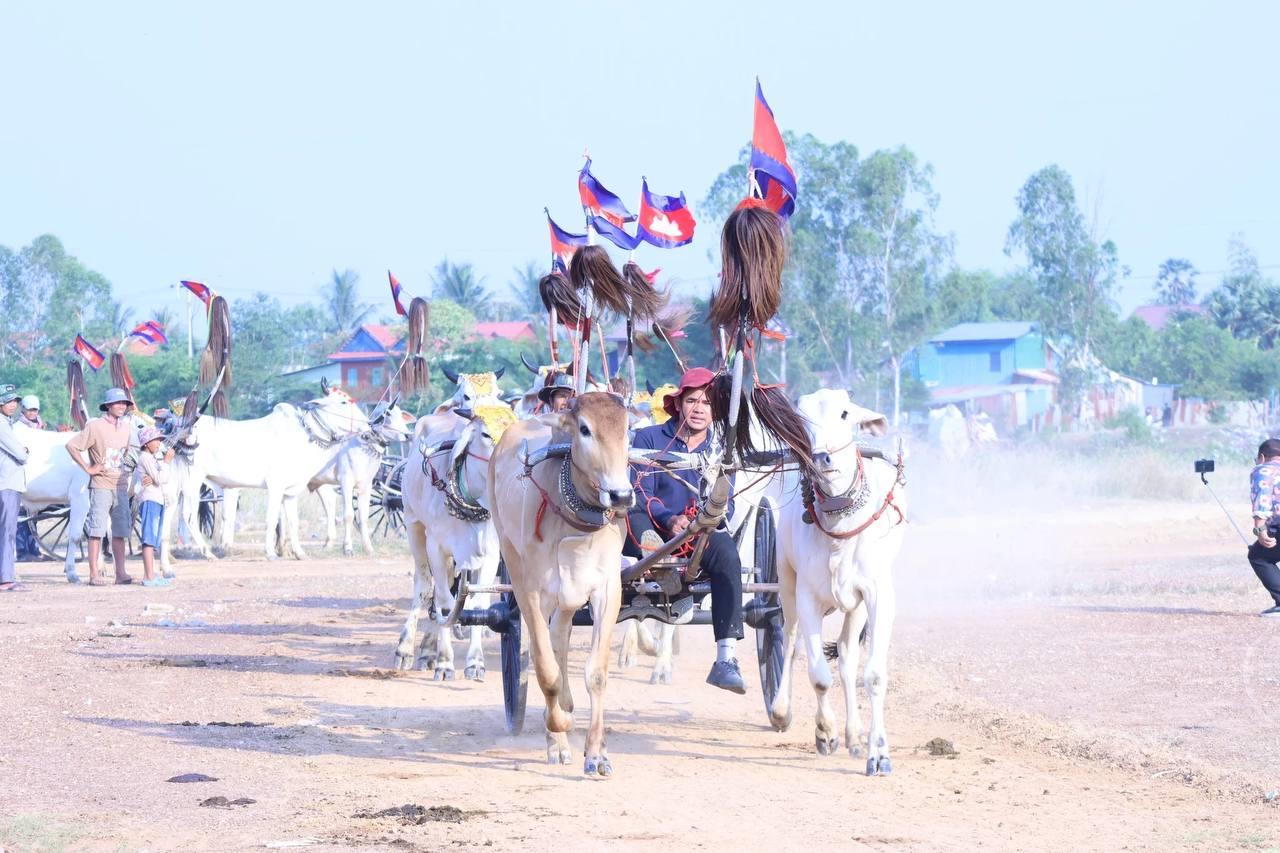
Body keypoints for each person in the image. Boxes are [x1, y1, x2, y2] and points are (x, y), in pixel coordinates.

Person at [625, 366, 746, 694]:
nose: (699, 409)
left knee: (728, 557)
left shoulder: (720, 448)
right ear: (677, 404)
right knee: (632, 512)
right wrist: (668, 521)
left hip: (699, 531)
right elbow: (641, 489)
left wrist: (702, 521)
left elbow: (727, 503)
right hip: (652, 526)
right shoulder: (648, 438)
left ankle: (725, 659)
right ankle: (653, 559)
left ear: (715, 411)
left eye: (707, 404)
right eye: (692, 401)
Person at [66, 387, 139, 586]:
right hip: (100, 485)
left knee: (120, 531)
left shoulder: (127, 428)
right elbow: (72, 446)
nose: (122, 407)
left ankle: (121, 573)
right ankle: (93, 574)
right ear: (108, 406)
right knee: (97, 530)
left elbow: (132, 453)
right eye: (118, 403)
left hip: (121, 485)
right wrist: (88, 468)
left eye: (124, 403)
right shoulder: (95, 426)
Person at [133, 427, 172, 587]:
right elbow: (161, 478)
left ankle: (151, 574)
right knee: (149, 538)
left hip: (157, 500)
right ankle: (149, 576)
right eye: (156, 440)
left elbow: (160, 478)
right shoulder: (146, 458)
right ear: (147, 443)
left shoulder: (151, 458)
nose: (158, 443)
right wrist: (166, 462)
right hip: (150, 499)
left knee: (153, 537)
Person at [0, 386, 29, 591]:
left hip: (7, 482)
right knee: (7, 531)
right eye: (8, 401)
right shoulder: (2, 425)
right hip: (8, 482)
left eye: (14, 401)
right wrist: (25, 449)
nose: (13, 405)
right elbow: (21, 455)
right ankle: (6, 578)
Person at [1247, 438, 1280, 617]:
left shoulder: (1264, 469)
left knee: (1259, 556)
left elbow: (1263, 499)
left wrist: (1260, 530)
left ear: (1261, 457)